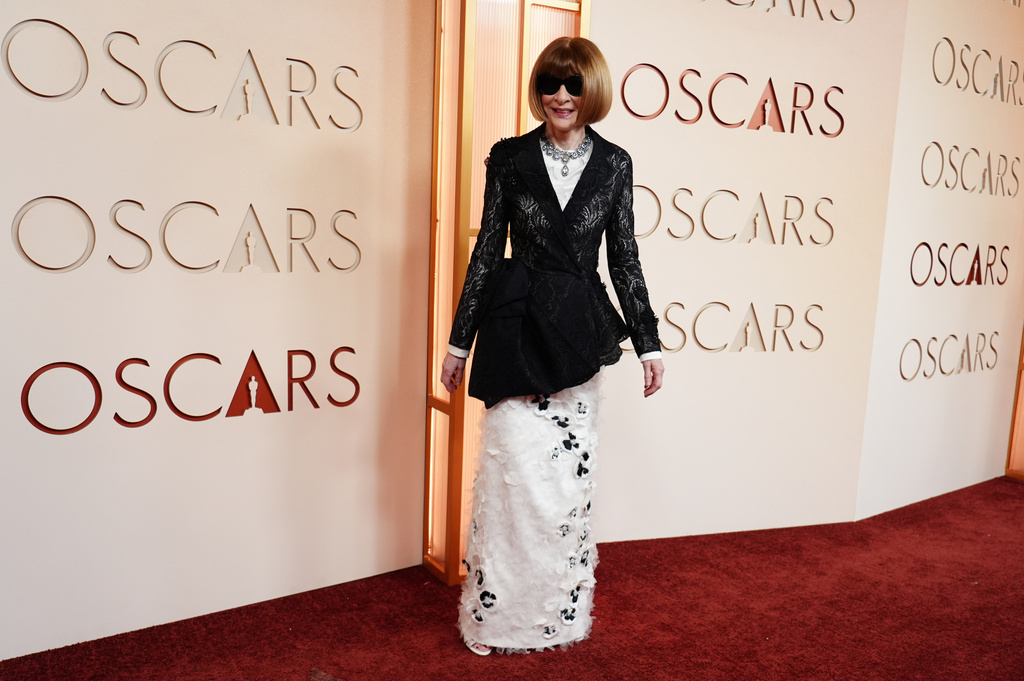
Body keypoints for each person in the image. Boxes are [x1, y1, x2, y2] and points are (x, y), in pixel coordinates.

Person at [440, 36, 665, 656]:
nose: (561, 96)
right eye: (549, 84)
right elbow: (487, 250)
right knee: (512, 482)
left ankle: (555, 619)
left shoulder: (614, 163)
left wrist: (648, 344)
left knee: (563, 488)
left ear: (593, 91)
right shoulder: (509, 157)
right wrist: (459, 342)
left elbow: (624, 259)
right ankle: (494, 621)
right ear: (538, 90)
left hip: (576, 338)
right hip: (514, 332)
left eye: (573, 85)